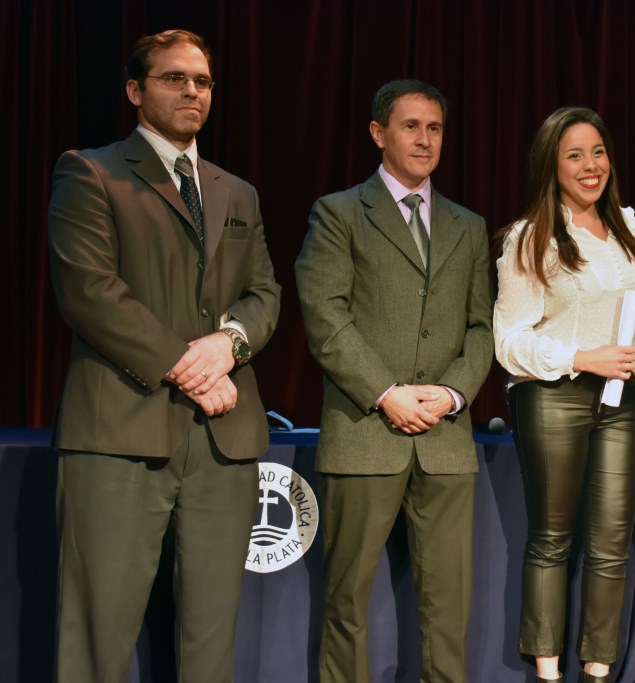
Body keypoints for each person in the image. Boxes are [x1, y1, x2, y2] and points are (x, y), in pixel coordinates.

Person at [46, 29, 281, 682]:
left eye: (202, 81)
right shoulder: (90, 172)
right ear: (134, 91)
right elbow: (91, 292)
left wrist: (228, 342)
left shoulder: (237, 192)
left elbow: (264, 292)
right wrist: (192, 368)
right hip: (121, 428)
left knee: (211, 642)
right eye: (175, 78)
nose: (192, 91)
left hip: (221, 442)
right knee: (97, 635)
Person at [295, 79, 493, 683]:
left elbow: (481, 327)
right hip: (365, 432)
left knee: (447, 607)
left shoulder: (469, 224)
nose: (425, 139)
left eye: (434, 128)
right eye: (411, 126)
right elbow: (326, 317)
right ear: (380, 133)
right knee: (347, 601)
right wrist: (388, 394)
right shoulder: (339, 212)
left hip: (445, 439)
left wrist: (453, 393)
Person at [493, 107, 635, 683]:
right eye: (574, 155)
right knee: (553, 539)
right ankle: (547, 668)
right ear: (551, 165)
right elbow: (508, 343)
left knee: (613, 542)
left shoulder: (628, 232)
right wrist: (579, 358)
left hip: (624, 400)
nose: (591, 166)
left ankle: (597, 667)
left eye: (598, 152)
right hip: (553, 396)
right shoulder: (530, 237)